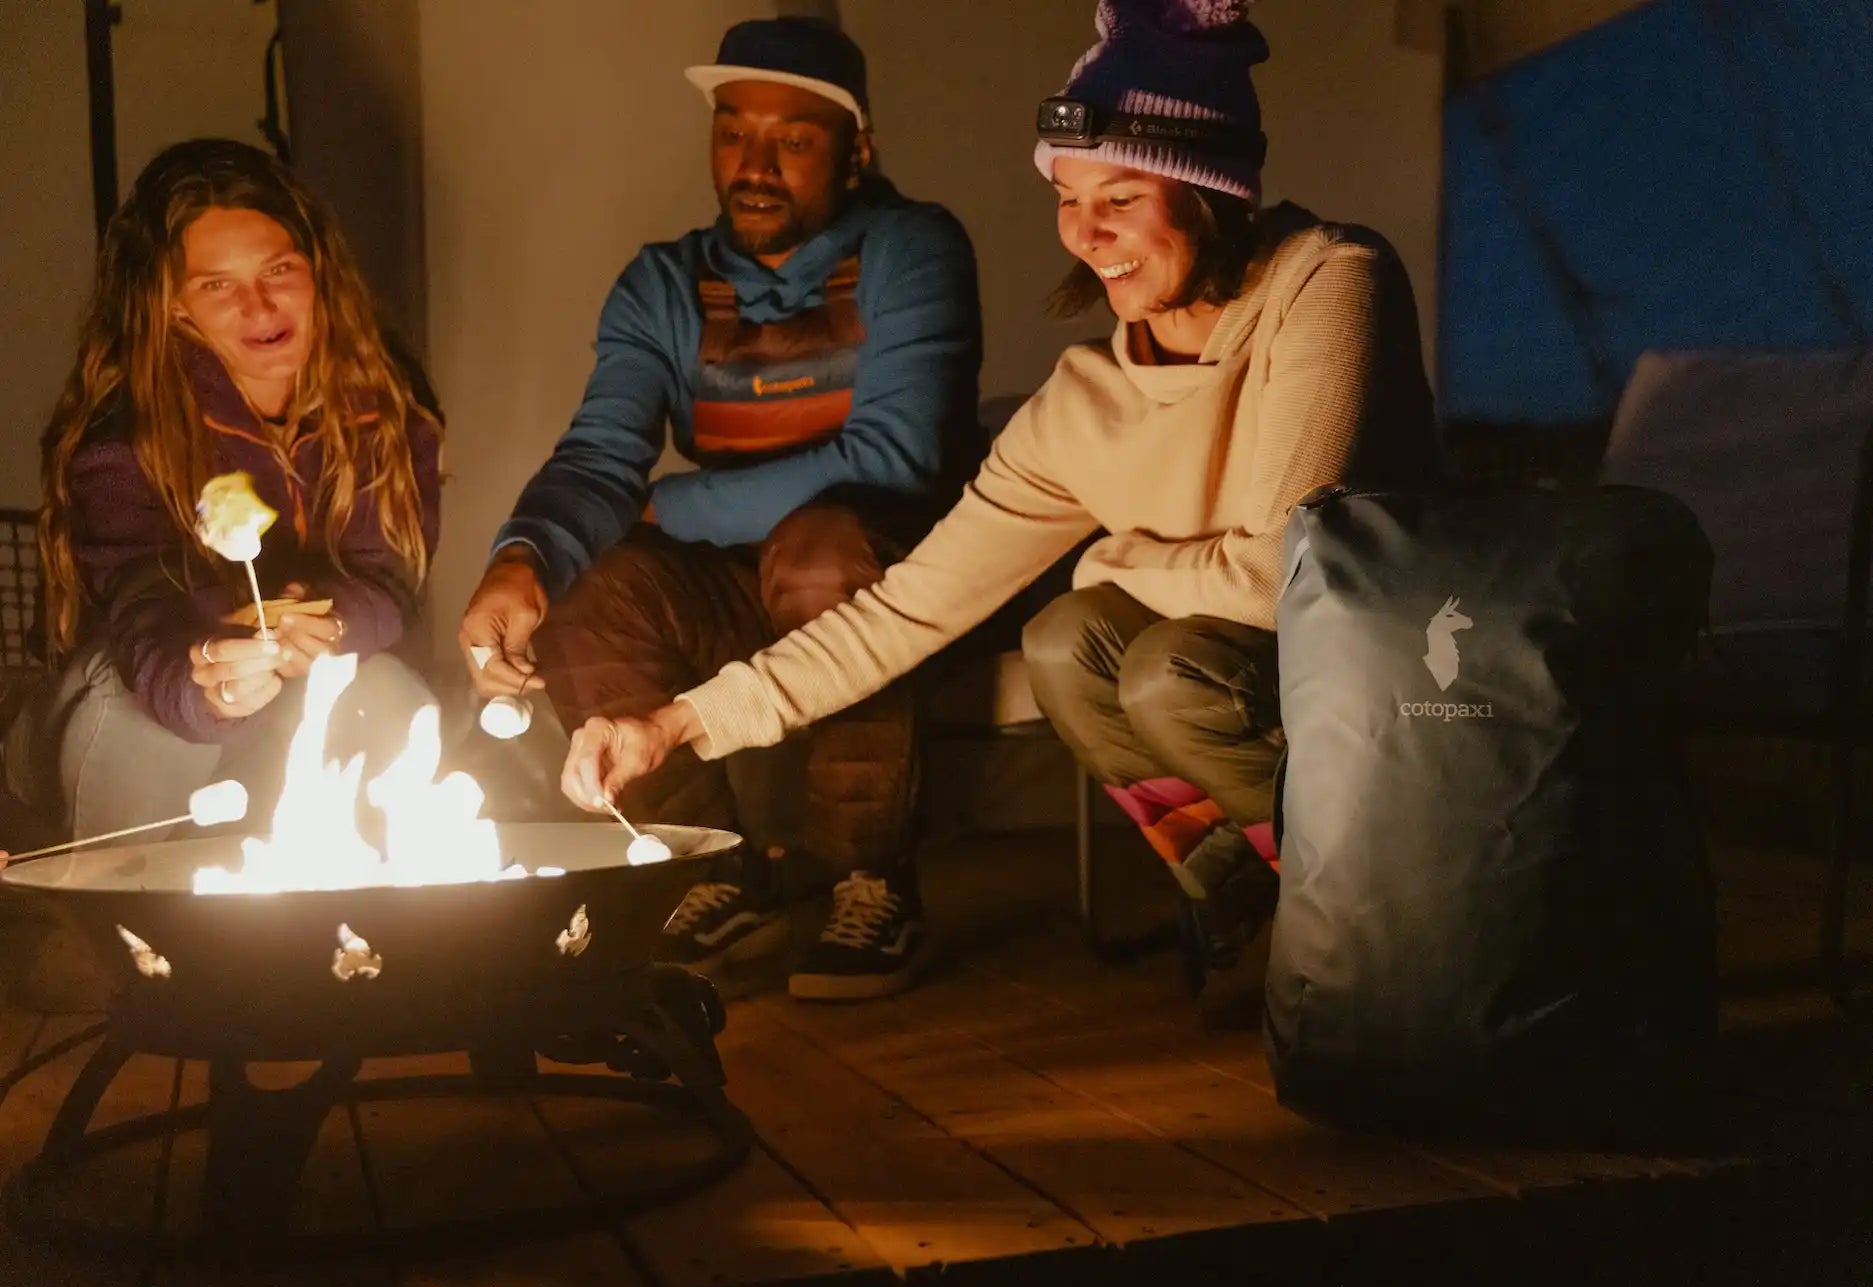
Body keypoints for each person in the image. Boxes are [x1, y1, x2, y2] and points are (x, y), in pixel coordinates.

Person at [559, 0, 1440, 979]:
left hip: (1406, 683)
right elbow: (904, 610)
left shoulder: (1328, 281)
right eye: (1068, 197)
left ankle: (1383, 902)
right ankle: (1256, 897)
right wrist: (671, 723)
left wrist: (1107, 559)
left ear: (1208, 188)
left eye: (1120, 198)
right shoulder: (1083, 403)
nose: (1086, 234)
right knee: (1068, 643)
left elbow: (1287, 570)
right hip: (1246, 675)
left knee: (1154, 660)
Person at [458, 16, 984, 1001]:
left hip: (890, 583)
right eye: (733, 130)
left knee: (818, 552)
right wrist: (520, 563)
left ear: (854, 147)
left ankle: (865, 876)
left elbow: (893, 459)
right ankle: (707, 866)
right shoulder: (662, 283)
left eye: (792, 139)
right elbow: (597, 452)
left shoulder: (910, 248)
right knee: (582, 585)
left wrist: (665, 506)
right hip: (737, 585)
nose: (753, 164)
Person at [8, 138, 442, 843]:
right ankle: (120, 936)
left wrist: (327, 624)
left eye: (279, 270)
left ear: (316, 272)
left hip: (289, 703)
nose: (260, 304)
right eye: (217, 285)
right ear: (173, 307)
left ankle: (365, 942)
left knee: (392, 697)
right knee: (145, 727)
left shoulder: (387, 407)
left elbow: (389, 578)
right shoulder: (129, 430)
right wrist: (206, 677)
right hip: (132, 696)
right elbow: (141, 600)